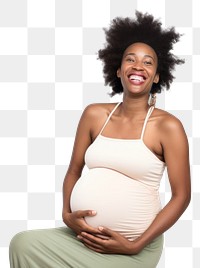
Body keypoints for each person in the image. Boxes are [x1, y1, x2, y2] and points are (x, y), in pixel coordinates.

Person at [9, 11, 191, 268]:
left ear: (158, 76)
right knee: (23, 244)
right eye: (131, 59)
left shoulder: (168, 126)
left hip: (134, 246)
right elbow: (74, 170)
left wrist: (135, 244)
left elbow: (181, 196)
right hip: (83, 237)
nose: (138, 66)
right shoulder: (94, 114)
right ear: (118, 70)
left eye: (148, 62)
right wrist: (66, 215)